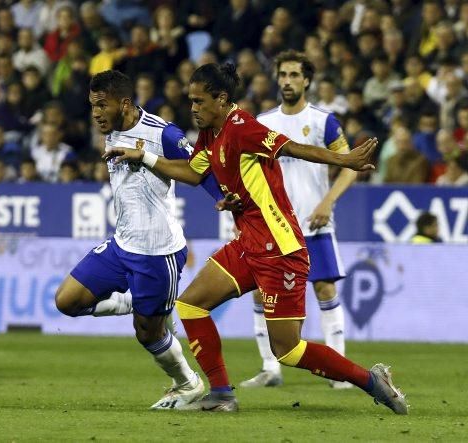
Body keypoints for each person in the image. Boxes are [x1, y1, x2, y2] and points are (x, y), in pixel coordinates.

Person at [104, 63, 408, 415]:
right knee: (190, 305)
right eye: (191, 101)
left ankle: (371, 381)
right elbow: (191, 171)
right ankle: (221, 393)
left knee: (289, 351)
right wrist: (144, 156)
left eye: (199, 101)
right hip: (249, 243)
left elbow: (292, 148)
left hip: (280, 249)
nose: (193, 108)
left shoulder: (242, 127)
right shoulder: (210, 131)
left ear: (221, 99)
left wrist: (343, 159)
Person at [54, 70, 229, 411]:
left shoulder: (163, 133)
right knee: (66, 301)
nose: (95, 113)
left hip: (157, 252)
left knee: (148, 333)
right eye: (92, 106)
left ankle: (187, 383)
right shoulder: (111, 129)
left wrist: (226, 199)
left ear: (125, 103)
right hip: (121, 245)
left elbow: (199, 170)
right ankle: (130, 302)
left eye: (101, 105)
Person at [241, 50, 357, 390]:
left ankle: (340, 371)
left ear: (307, 80)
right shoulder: (262, 122)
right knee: (261, 294)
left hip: (313, 222)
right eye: (283, 75)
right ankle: (269, 369)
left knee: (324, 288)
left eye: (294, 75)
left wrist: (327, 202)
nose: (288, 81)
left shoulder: (323, 122)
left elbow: (350, 165)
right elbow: (248, 169)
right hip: (272, 226)